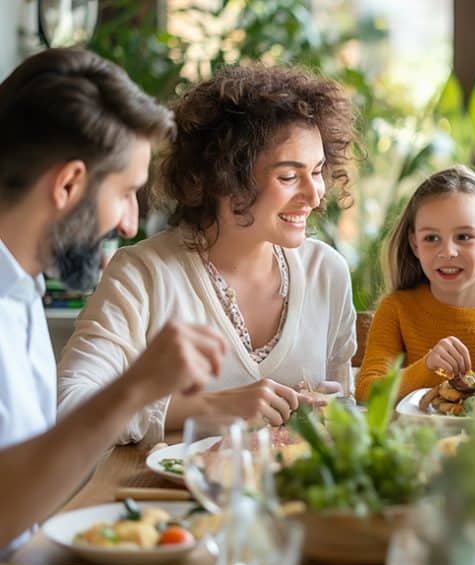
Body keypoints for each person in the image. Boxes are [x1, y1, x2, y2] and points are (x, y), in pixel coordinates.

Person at [57, 65, 359, 444]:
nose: (314, 195)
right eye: (288, 176)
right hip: (167, 484)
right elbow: (69, 405)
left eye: (316, 171)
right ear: (224, 176)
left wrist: (331, 407)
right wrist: (206, 408)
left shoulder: (326, 272)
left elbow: (343, 412)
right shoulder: (142, 275)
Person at [0, 48, 225, 555]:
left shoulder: (22, 290)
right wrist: (137, 385)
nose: (128, 224)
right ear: (68, 184)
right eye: (126, 193)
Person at [355, 165, 475, 400]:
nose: (447, 252)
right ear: (415, 245)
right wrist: (427, 366)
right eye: (431, 238)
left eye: (464, 237)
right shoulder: (396, 309)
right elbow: (366, 391)